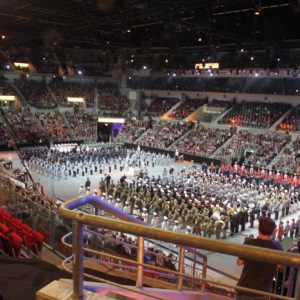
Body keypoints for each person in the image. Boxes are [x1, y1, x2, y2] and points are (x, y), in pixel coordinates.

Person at [236, 217, 283, 300]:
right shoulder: (277, 246)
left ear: (258, 229)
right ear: (272, 232)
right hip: (263, 291)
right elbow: (279, 265)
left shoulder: (249, 243)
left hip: (245, 288)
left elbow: (239, 262)